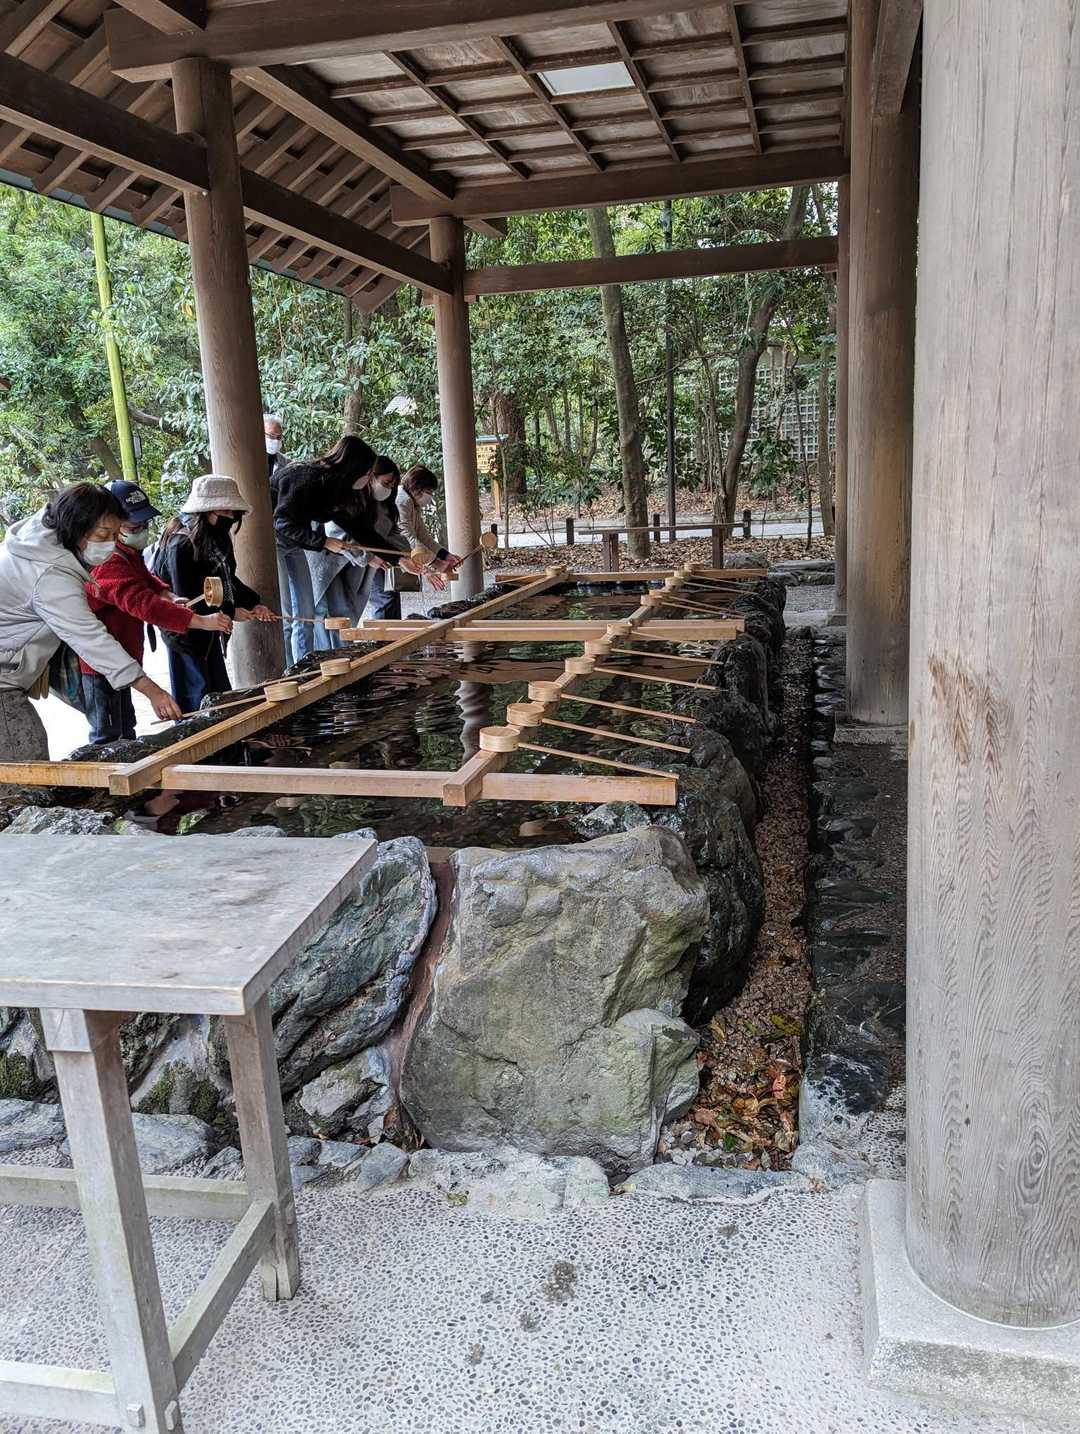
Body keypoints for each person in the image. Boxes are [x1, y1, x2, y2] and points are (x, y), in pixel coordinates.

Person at [0, 482, 180, 762]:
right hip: (4, 682)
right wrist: (153, 692)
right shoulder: (50, 575)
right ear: (76, 528)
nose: (110, 543)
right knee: (27, 762)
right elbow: (91, 639)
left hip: (11, 674)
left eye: (115, 534)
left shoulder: (44, 538)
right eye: (103, 535)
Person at [80, 480, 232, 744]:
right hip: (100, 664)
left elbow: (147, 581)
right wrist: (201, 621)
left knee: (126, 726)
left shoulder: (127, 551)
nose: (141, 531)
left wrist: (168, 595)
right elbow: (143, 604)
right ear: (109, 524)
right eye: (133, 527)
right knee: (107, 735)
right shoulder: (105, 560)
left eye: (145, 525)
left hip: (124, 658)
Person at [272, 435, 421, 663]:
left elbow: (360, 530)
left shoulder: (335, 489)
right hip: (272, 542)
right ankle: (292, 669)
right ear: (353, 467)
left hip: (296, 545)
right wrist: (322, 541)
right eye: (368, 472)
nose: (368, 478)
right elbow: (280, 522)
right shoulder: (305, 476)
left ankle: (304, 668)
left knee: (305, 612)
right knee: (289, 616)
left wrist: (399, 559)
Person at [154, 473, 276, 712]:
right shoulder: (181, 544)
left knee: (218, 694)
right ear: (206, 510)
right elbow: (185, 600)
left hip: (211, 627)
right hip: (186, 634)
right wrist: (230, 612)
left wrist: (253, 603)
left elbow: (227, 579)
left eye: (233, 513)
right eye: (226, 511)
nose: (231, 518)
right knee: (197, 698)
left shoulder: (217, 536)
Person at [369, 463, 461, 620]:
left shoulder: (412, 503)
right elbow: (406, 536)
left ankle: (391, 634)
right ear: (416, 487)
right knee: (384, 600)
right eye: (428, 491)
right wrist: (434, 562)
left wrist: (445, 555)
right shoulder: (402, 500)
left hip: (395, 556)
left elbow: (423, 536)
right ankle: (383, 635)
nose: (429, 496)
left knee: (391, 598)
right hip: (381, 555)